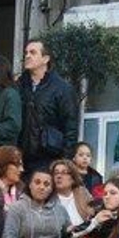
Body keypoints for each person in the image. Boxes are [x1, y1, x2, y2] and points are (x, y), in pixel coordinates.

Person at [17, 38, 79, 170]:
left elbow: (71, 128)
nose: (27, 56)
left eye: (33, 52)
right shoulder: (19, 86)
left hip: (49, 158)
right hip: (22, 160)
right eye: (26, 52)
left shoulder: (62, 89)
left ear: (45, 59)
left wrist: (64, 163)